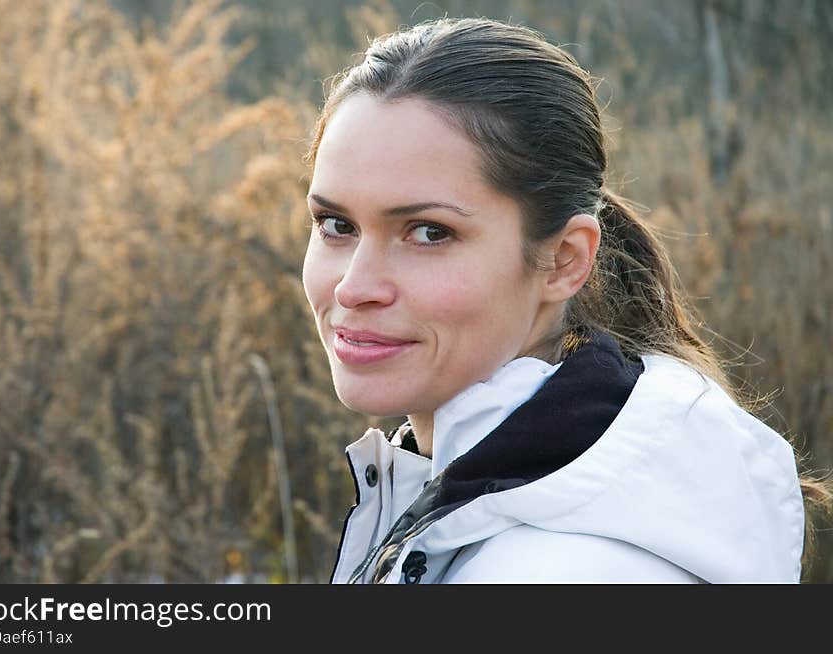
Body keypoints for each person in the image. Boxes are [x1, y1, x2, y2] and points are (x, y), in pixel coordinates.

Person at [300, 17, 831, 583]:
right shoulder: (482, 492)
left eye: (429, 233)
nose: (354, 287)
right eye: (336, 224)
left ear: (564, 260)